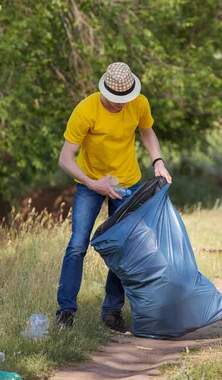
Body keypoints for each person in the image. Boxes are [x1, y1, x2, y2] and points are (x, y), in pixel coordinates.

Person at [56, 62, 172, 333]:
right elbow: (65, 159)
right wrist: (92, 183)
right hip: (90, 183)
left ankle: (112, 311)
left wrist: (157, 161)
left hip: (127, 183)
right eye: (117, 99)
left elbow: (147, 131)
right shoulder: (85, 110)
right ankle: (66, 312)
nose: (122, 104)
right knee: (77, 246)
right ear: (104, 90)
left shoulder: (139, 103)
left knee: (124, 247)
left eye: (126, 98)